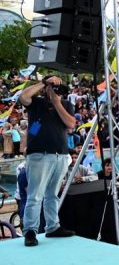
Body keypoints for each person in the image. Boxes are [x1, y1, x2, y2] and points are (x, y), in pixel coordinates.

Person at [19, 75, 77, 246]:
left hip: (60, 154)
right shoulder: (36, 102)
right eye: (53, 86)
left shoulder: (65, 104)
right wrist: (45, 83)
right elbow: (23, 97)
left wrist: (57, 101)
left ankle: (53, 226)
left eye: (58, 86)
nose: (56, 89)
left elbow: (71, 123)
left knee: (52, 195)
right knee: (35, 195)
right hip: (39, 154)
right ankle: (30, 230)